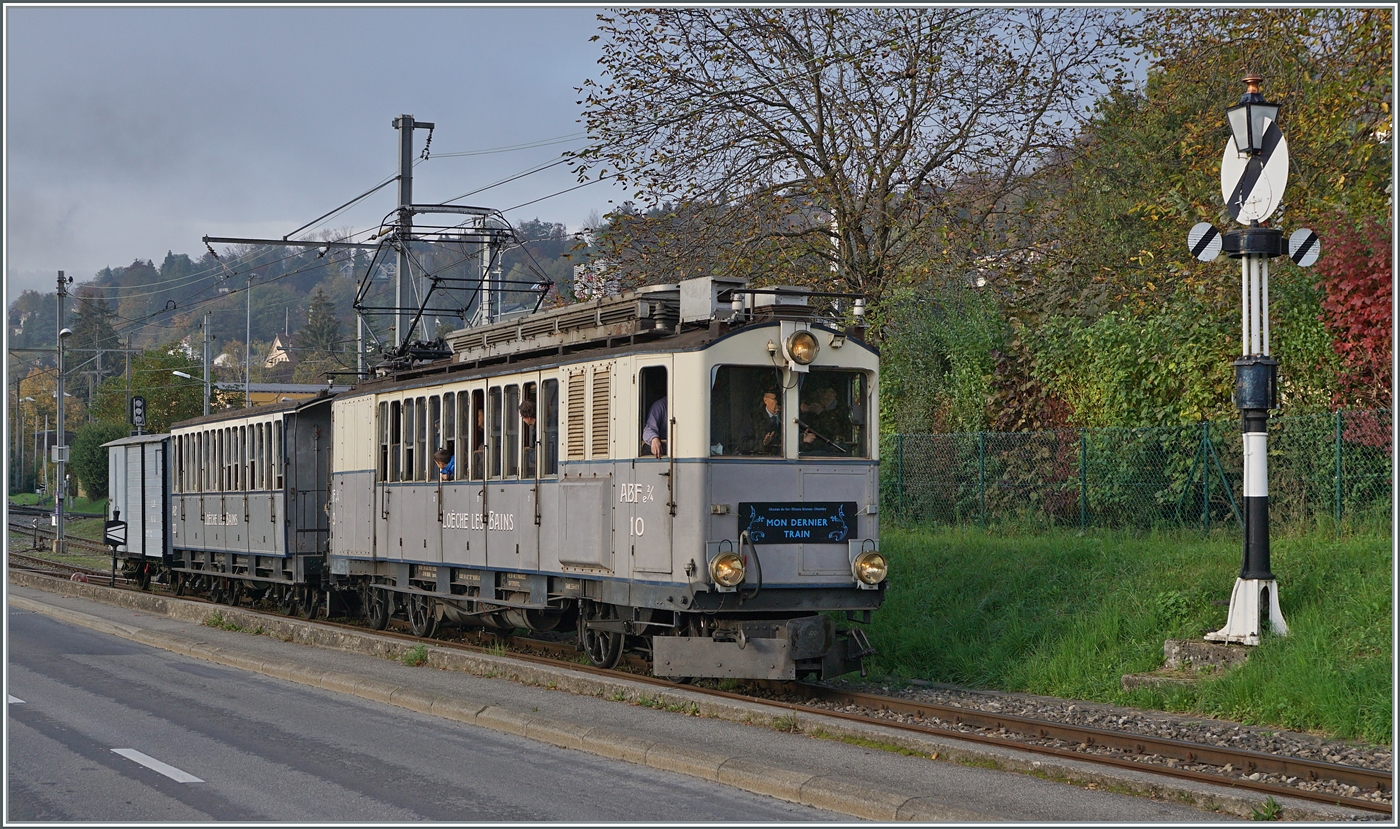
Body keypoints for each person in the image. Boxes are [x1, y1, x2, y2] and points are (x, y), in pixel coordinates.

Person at [739, 389, 783, 455]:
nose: (778, 402)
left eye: (780, 399)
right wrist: (762, 443)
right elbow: (743, 443)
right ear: (765, 400)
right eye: (775, 399)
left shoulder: (787, 418)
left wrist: (802, 438)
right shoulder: (753, 418)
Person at [520, 398, 538, 476]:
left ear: (529, 416)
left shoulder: (536, 430)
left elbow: (533, 458)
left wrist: (530, 453)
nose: (523, 420)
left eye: (523, 417)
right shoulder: (539, 427)